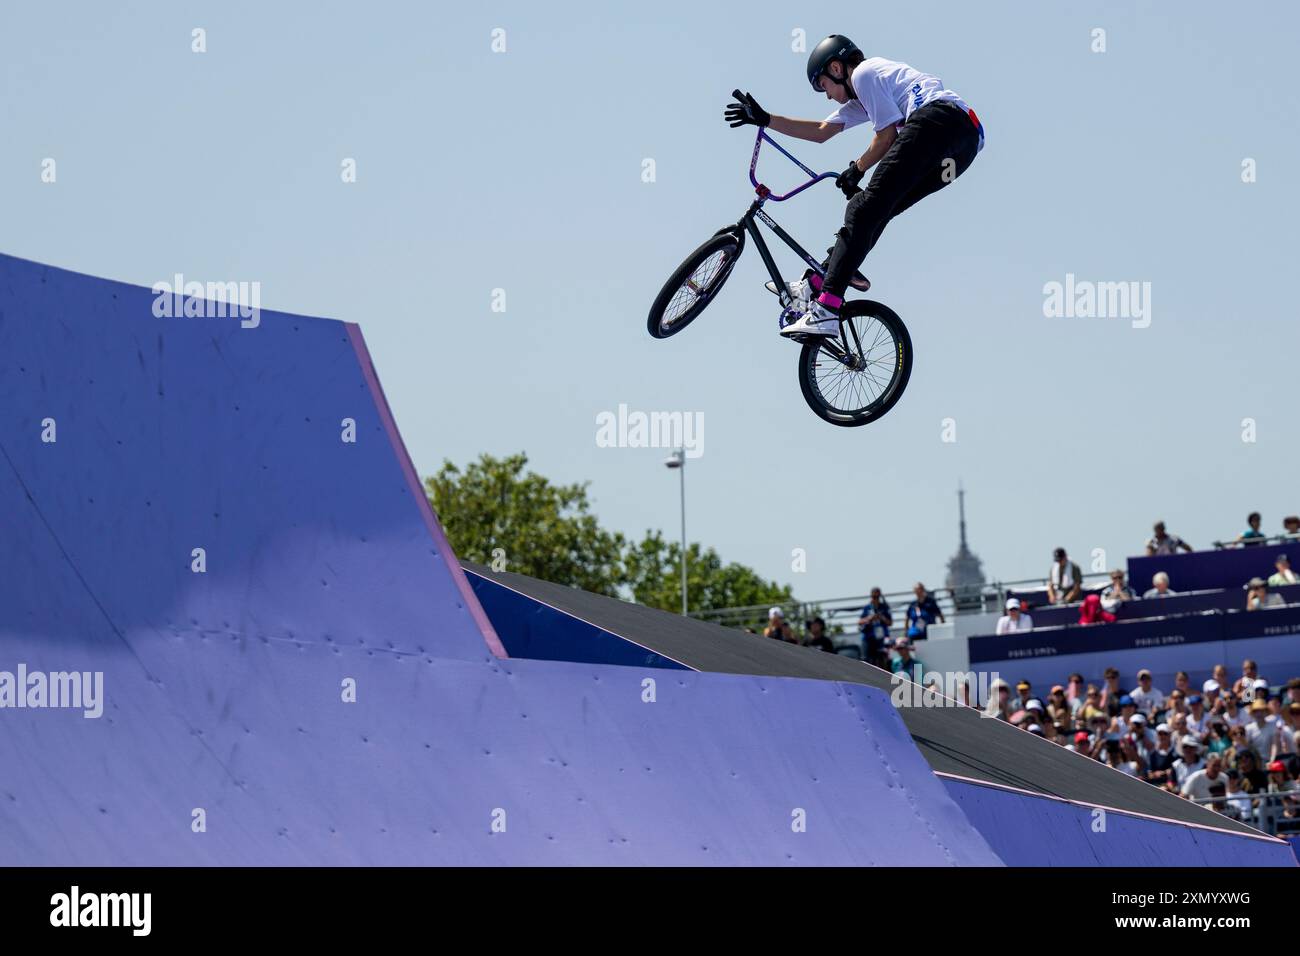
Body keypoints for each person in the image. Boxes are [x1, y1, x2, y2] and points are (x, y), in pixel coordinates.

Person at [725, 36, 984, 340]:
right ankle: (820, 280)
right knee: (876, 211)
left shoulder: (864, 74)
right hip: (964, 146)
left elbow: (886, 137)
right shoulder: (865, 95)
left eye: (824, 86)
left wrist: (857, 168)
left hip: (939, 121)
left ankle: (826, 310)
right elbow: (821, 131)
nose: (827, 96)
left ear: (837, 68)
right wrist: (766, 119)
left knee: (862, 209)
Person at [857, 587, 892, 666]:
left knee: (881, 659)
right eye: (874, 597)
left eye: (877, 597)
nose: (875, 599)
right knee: (866, 659)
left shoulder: (884, 607)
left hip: (880, 638)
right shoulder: (867, 608)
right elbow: (859, 622)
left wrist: (881, 617)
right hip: (868, 637)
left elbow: (890, 623)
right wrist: (869, 618)